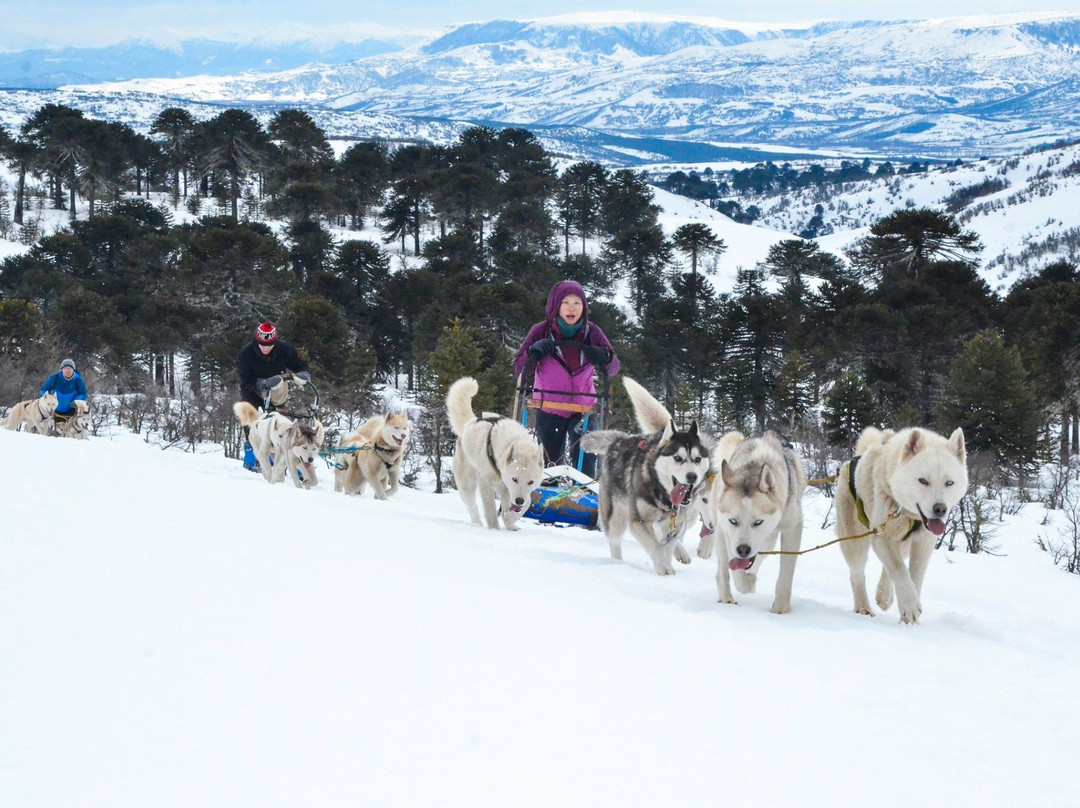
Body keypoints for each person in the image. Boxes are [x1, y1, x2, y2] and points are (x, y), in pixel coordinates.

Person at [513, 281, 619, 476]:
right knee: (551, 463)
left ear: (584, 307)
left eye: (577, 303)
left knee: (586, 458)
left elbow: (613, 368)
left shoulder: (591, 332)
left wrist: (604, 356)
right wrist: (533, 351)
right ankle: (550, 499)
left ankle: (584, 497)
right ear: (556, 306)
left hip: (584, 407)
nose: (572, 307)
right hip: (550, 405)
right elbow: (519, 368)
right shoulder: (541, 331)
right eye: (566, 302)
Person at [236, 321, 311, 470]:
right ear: (257, 342)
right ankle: (251, 452)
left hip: (276, 388)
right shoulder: (245, 353)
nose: (265, 347)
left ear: (274, 342)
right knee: (250, 418)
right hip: (252, 388)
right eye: (262, 344)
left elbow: (299, 364)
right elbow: (245, 379)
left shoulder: (285, 350)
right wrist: (259, 385)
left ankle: (274, 454)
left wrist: (303, 373)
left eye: (269, 344)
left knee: (277, 421)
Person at [40, 358, 88, 425]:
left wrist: (75, 401)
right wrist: (48, 399)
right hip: (53, 410)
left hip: (70, 411)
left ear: (73, 370)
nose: (68, 370)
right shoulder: (55, 378)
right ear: (62, 369)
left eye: (70, 368)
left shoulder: (78, 380)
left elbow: (82, 394)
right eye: (65, 368)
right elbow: (43, 390)